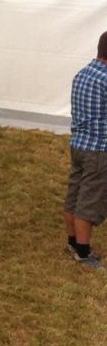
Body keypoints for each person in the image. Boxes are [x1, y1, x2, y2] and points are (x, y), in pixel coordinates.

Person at [66, 31, 107, 270]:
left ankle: (72, 242)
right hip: (99, 150)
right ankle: (83, 252)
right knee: (90, 199)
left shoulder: (82, 73)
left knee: (75, 193)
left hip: (79, 145)